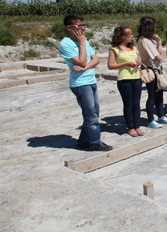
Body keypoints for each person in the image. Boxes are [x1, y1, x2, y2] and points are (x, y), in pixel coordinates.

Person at [58, 14, 112, 152]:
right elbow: (81, 61)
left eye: (83, 25)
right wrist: (82, 43)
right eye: (79, 26)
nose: (82, 28)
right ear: (69, 28)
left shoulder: (84, 40)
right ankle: (95, 143)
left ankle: (83, 141)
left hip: (90, 79)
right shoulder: (66, 43)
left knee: (94, 113)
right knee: (91, 115)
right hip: (80, 83)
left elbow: (96, 59)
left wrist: (85, 67)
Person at [107, 26, 144, 137]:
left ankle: (137, 125)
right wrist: (126, 64)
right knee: (128, 104)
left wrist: (138, 62)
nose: (131, 36)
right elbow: (110, 65)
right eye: (128, 35)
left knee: (136, 103)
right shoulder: (115, 50)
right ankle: (130, 127)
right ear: (121, 36)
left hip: (136, 77)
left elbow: (137, 60)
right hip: (124, 79)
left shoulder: (133, 48)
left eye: (131, 34)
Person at [137, 17, 167, 128]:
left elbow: (158, 53)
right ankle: (151, 119)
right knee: (152, 95)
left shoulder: (148, 40)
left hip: (156, 69)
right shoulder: (144, 41)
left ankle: (161, 115)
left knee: (159, 94)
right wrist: (158, 51)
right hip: (151, 70)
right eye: (154, 26)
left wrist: (159, 42)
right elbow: (158, 56)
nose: (155, 28)